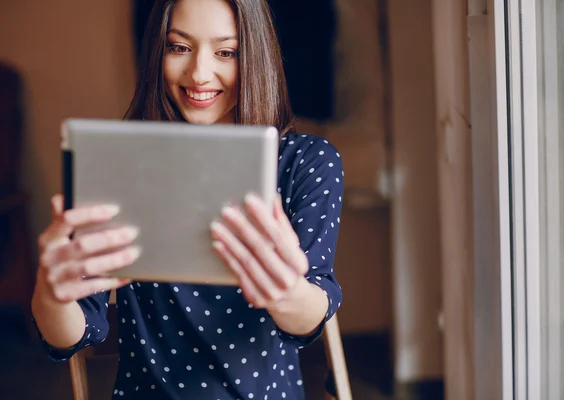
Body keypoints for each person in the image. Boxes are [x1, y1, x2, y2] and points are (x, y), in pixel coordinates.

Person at [30, 0, 344, 399]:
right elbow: (74, 332)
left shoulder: (306, 163)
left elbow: (311, 313)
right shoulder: (121, 163)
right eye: (178, 47)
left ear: (256, 56)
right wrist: (50, 294)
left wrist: (287, 293)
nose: (199, 73)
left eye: (226, 52)